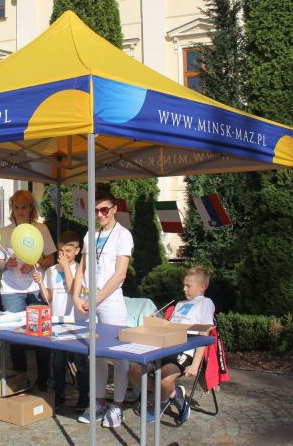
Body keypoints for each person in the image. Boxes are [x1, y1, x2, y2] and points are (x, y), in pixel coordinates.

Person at [72, 183, 132, 428]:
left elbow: (120, 274)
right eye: (96, 210)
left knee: (118, 355)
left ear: (114, 209)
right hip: (90, 300)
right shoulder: (90, 234)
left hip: (110, 301)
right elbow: (82, 268)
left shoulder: (123, 235)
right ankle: (98, 402)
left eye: (104, 209)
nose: (100, 214)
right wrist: (76, 296)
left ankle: (117, 406)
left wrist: (95, 299)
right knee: (94, 354)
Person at [127, 266, 215, 423]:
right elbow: (169, 328)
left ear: (202, 287)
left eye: (188, 285)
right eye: (184, 285)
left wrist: (195, 365)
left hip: (184, 350)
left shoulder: (205, 303)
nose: (184, 289)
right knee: (133, 373)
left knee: (164, 380)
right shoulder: (180, 304)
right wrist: (156, 321)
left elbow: (204, 334)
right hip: (164, 347)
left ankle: (163, 401)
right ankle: (174, 394)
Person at [0, 190, 56, 391]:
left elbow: (51, 258)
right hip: (11, 291)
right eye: (17, 207)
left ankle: (43, 380)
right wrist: (6, 264)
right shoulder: (5, 232)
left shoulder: (41, 229)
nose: (20, 211)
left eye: (24, 207)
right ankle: (19, 380)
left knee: (41, 335)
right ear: (12, 209)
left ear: (31, 208)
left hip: (37, 289)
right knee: (16, 337)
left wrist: (36, 262)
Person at [32, 230, 89, 409]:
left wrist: (66, 267)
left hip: (76, 321)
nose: (64, 255)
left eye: (68, 251)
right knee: (58, 361)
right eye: (61, 251)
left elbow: (74, 291)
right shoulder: (51, 270)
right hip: (57, 320)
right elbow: (48, 297)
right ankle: (59, 394)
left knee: (80, 361)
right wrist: (40, 283)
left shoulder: (80, 269)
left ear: (77, 251)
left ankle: (84, 395)